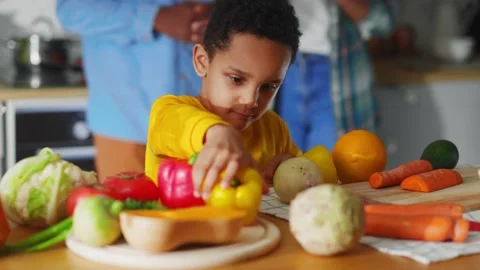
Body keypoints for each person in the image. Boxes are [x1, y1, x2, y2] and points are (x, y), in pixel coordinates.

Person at [145, 0, 302, 199]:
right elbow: (183, 123)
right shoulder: (167, 111)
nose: (250, 100)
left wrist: (293, 168)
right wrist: (217, 133)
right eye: (237, 79)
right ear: (202, 61)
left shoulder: (275, 130)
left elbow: (307, 173)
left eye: (268, 87)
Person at [55, 0, 214, 181]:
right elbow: (71, 8)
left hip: (203, 120)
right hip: (127, 125)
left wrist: (219, 15)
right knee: (128, 207)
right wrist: (154, 17)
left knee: (211, 208)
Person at [276, 0, 394, 152]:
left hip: (339, 74)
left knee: (337, 170)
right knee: (278, 166)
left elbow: (384, 22)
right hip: (282, 69)